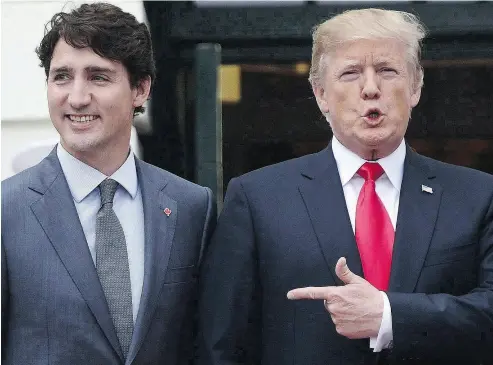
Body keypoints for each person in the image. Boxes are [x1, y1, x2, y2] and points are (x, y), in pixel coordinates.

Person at [196, 8, 493, 365]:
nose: (370, 89)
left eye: (387, 70)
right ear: (321, 94)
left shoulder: (477, 195)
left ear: (415, 87)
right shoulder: (258, 198)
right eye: (350, 73)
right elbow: (222, 345)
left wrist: (389, 315)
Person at [1, 3, 216, 364]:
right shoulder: (7, 210)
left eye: (98, 77)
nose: (77, 97)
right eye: (62, 77)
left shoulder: (191, 206)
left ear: (140, 90)